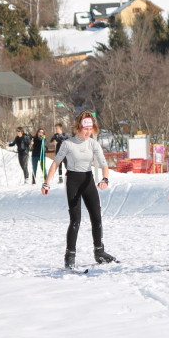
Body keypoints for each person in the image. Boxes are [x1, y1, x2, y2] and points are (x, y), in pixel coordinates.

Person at [41, 111, 117, 269]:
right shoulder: (68, 144)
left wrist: (105, 178)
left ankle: (99, 251)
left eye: (91, 130)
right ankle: (70, 256)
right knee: (75, 220)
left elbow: (103, 163)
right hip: (73, 181)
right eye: (85, 129)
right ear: (78, 128)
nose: (88, 132)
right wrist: (47, 183)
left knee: (96, 217)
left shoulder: (93, 144)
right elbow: (55, 163)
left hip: (88, 180)